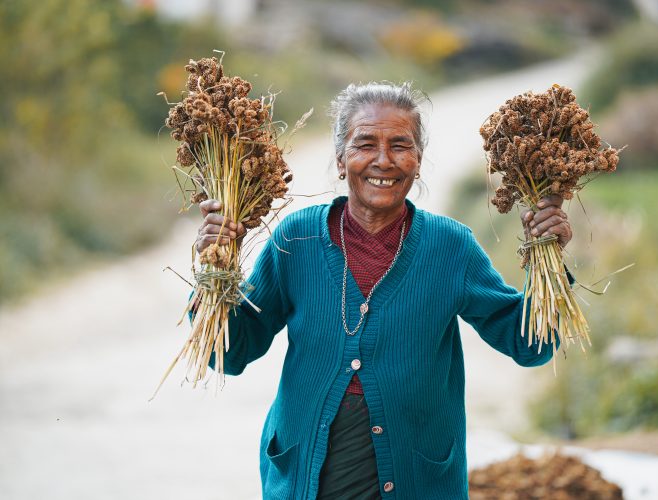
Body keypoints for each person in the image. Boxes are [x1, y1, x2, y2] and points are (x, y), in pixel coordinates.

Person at [194, 82, 573, 499]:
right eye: (365, 144)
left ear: (418, 160)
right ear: (341, 159)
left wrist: (546, 255)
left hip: (415, 478)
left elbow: (530, 345)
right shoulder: (295, 240)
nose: (383, 160)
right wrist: (217, 269)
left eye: (400, 145)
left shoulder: (450, 247)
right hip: (309, 475)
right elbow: (229, 354)